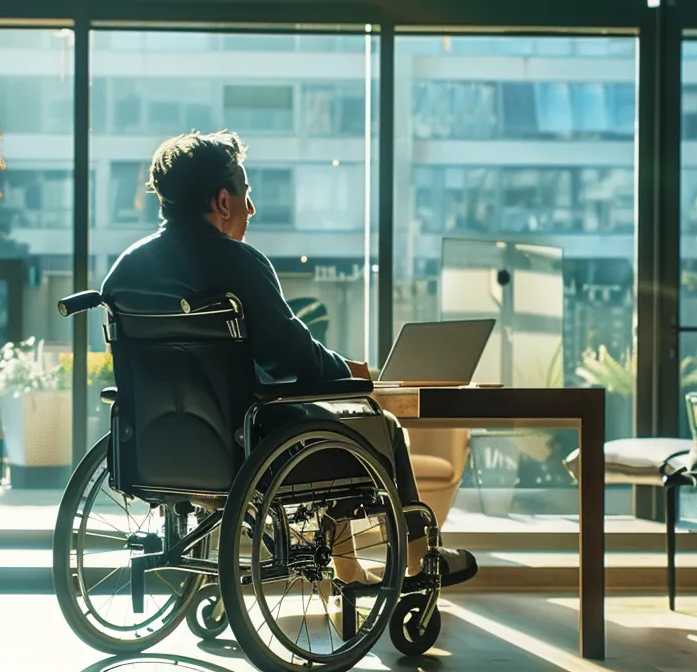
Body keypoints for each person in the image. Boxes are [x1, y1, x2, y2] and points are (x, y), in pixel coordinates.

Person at [102, 130, 477, 588]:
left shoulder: (125, 270)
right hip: (245, 447)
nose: (251, 209)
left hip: (155, 448)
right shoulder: (239, 263)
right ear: (223, 200)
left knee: (323, 421)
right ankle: (421, 559)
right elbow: (293, 358)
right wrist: (350, 374)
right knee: (375, 426)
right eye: (247, 196)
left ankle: (351, 569)